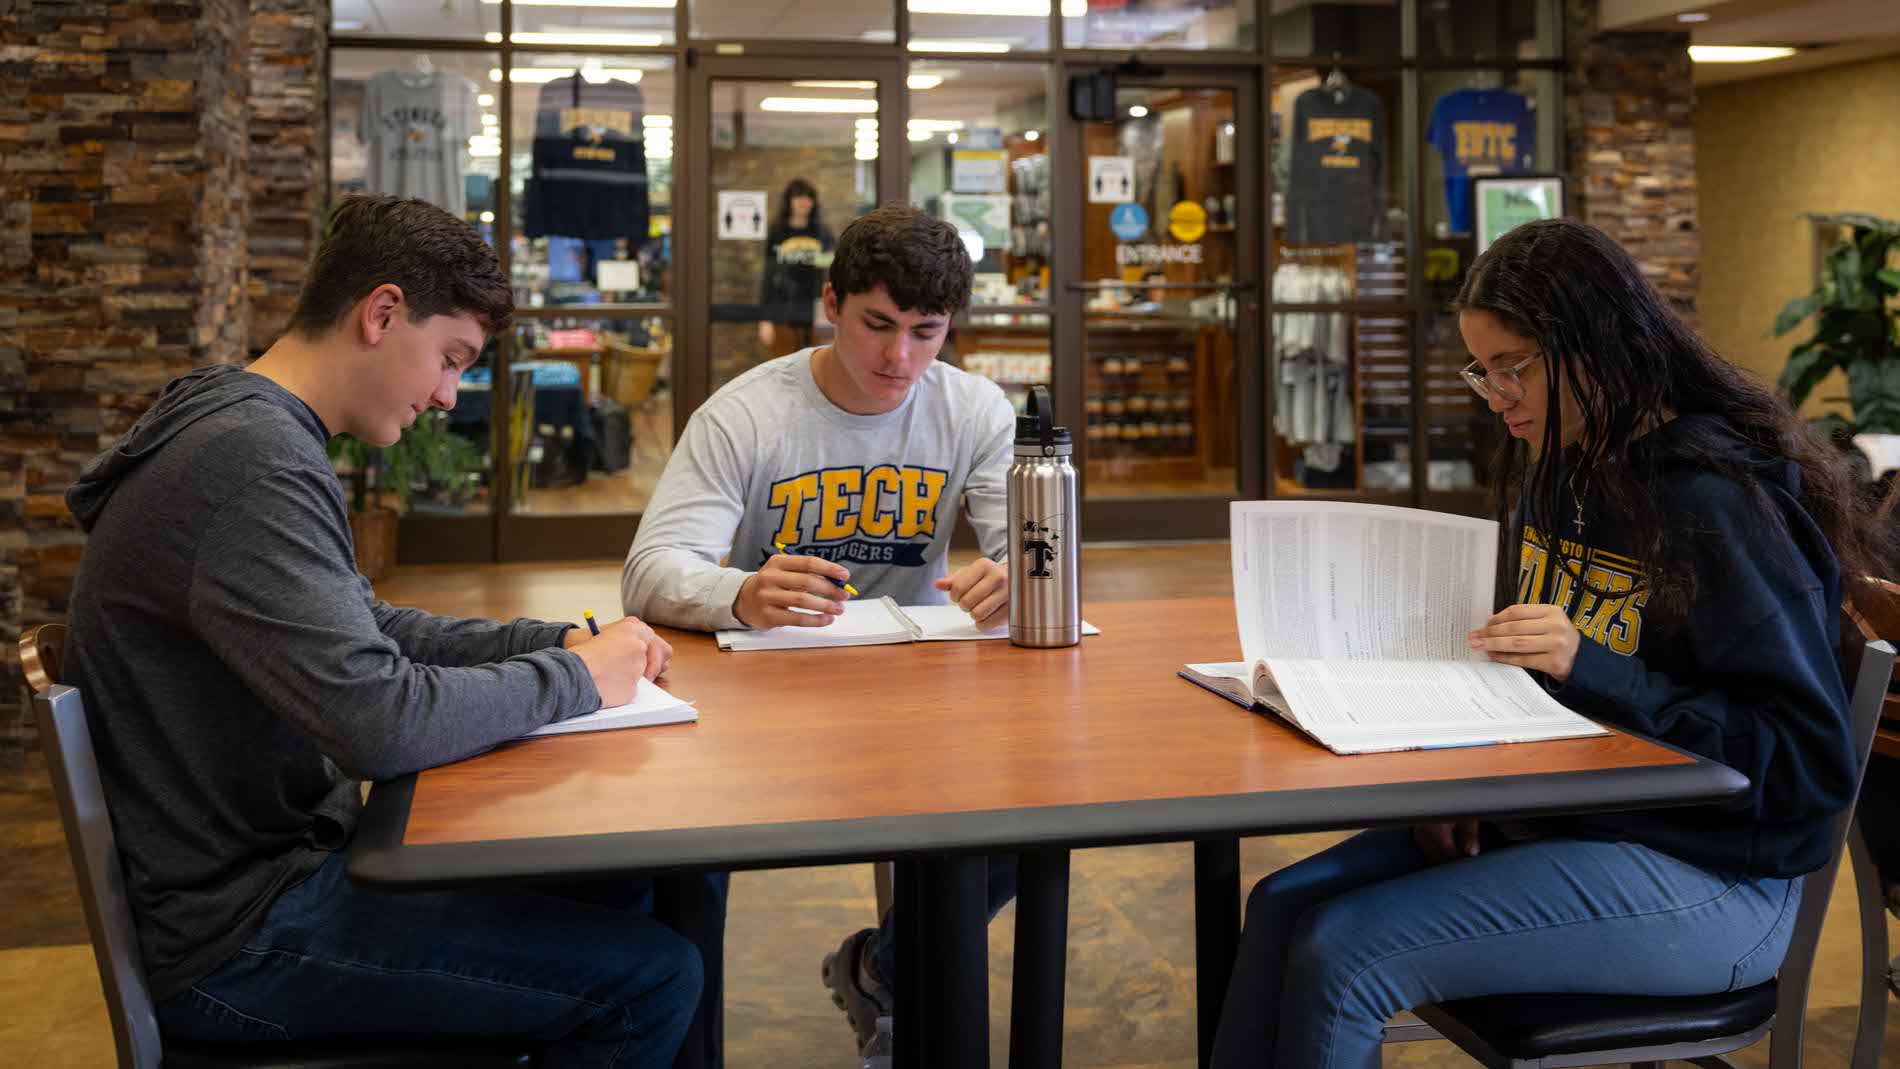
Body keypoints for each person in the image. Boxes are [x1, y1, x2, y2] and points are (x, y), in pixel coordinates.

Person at [1210, 217, 1891, 1068]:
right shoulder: (1560, 463)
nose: (1496, 396)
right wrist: (1462, 788)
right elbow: (1527, 687)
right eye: (1481, 370)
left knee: (1344, 952)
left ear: (1599, 344)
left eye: (1513, 368)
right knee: (1280, 905)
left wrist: (1594, 665)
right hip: (1578, 820)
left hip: (1718, 878)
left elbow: (1807, 766)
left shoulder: (1719, 506)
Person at [63, 193, 701, 1068]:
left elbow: (366, 625)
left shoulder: (242, 420)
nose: (448, 395)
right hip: (242, 935)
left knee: (623, 877)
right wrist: (581, 679)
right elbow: (381, 721)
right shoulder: (251, 463)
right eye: (450, 359)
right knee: (655, 976)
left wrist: (549, 642)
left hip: (251, 880)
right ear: (382, 312)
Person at [621, 202, 1016, 1054]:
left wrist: (1016, 576)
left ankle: (885, 969)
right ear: (830, 303)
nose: (898, 357)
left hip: (912, 695)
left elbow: (1033, 551)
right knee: (686, 852)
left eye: (926, 332)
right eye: (877, 324)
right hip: (760, 700)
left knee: (1031, 812)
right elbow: (649, 569)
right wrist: (740, 591)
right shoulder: (746, 413)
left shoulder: (977, 410)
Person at [757, 177, 834, 357]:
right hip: (783, 311)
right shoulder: (777, 233)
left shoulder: (823, 233)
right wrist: (765, 318)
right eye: (799, 197)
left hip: (815, 313)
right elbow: (768, 276)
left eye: (809, 198)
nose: (804, 202)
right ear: (789, 201)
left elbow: (831, 272)